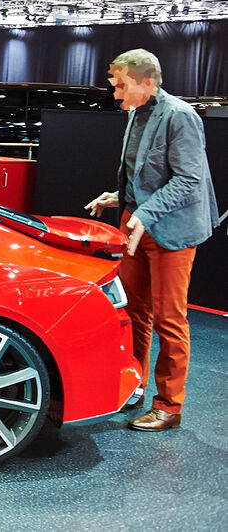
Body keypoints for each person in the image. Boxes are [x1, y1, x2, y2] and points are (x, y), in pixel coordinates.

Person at [85, 48, 218, 432]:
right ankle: (135, 384)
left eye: (121, 84)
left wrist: (143, 213)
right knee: (132, 312)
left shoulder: (180, 116)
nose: (115, 93)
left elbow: (188, 179)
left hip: (171, 231)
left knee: (170, 319)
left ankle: (169, 406)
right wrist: (119, 197)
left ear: (147, 81)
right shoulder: (135, 113)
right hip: (136, 225)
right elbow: (144, 171)